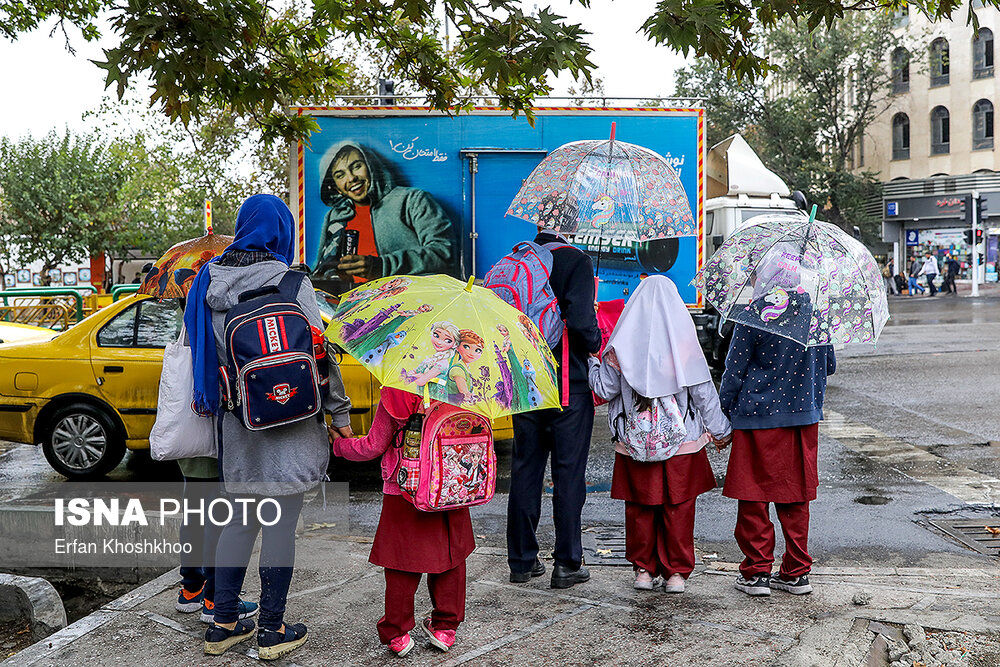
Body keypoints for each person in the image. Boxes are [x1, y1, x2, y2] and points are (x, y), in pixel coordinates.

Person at [185, 194, 353, 659]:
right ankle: (272, 631)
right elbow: (321, 356)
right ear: (282, 230)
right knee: (280, 527)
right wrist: (339, 415)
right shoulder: (294, 282)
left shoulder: (208, 283)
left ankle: (222, 625)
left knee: (240, 522)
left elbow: (209, 361)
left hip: (242, 427)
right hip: (296, 426)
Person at [588, 276, 732, 593]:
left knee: (640, 508)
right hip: (682, 445)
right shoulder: (684, 345)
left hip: (633, 443)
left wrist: (592, 361)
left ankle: (643, 570)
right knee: (678, 509)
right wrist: (721, 432)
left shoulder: (620, 346)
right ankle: (676, 575)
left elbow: (603, 388)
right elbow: (704, 395)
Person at [331, 387, 474, 657]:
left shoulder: (397, 394)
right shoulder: (464, 388)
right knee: (451, 556)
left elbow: (372, 446)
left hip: (405, 488)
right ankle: (445, 627)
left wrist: (338, 445)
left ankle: (397, 633)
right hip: (452, 485)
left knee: (401, 561)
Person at [507, 227, 602, 589]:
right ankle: (567, 563)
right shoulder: (575, 260)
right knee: (567, 475)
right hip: (567, 385)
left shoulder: (521, 259)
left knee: (525, 469)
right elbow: (580, 321)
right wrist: (595, 341)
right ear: (569, 226)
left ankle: (521, 561)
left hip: (525, 383)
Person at [719, 321, 836, 598]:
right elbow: (829, 364)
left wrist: (725, 407)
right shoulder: (816, 318)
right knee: (796, 495)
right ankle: (796, 572)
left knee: (753, 495)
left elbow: (734, 370)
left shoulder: (754, 317)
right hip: (803, 417)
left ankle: (758, 572)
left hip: (757, 416)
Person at [315, 141, 455, 282]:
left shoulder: (412, 200)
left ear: (370, 166)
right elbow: (321, 269)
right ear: (336, 188)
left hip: (404, 298)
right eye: (340, 175)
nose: (351, 178)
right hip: (353, 300)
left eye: (357, 166)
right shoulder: (334, 217)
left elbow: (444, 253)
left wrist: (381, 266)